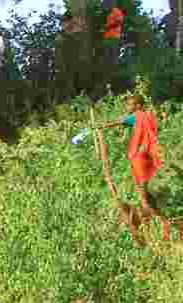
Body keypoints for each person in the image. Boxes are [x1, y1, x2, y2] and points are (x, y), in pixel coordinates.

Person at [96, 93, 173, 240]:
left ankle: (148, 219)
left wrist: (101, 126)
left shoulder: (137, 116)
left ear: (137, 106)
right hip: (150, 157)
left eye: (130, 104)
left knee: (145, 195)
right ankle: (160, 221)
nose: (128, 107)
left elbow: (119, 121)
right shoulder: (149, 116)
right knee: (152, 191)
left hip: (140, 158)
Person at [102, 3, 125, 93]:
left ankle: (115, 78)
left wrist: (108, 26)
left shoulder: (116, 11)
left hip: (114, 38)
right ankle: (107, 78)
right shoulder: (108, 14)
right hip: (108, 38)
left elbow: (119, 22)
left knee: (114, 59)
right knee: (107, 60)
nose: (105, 6)